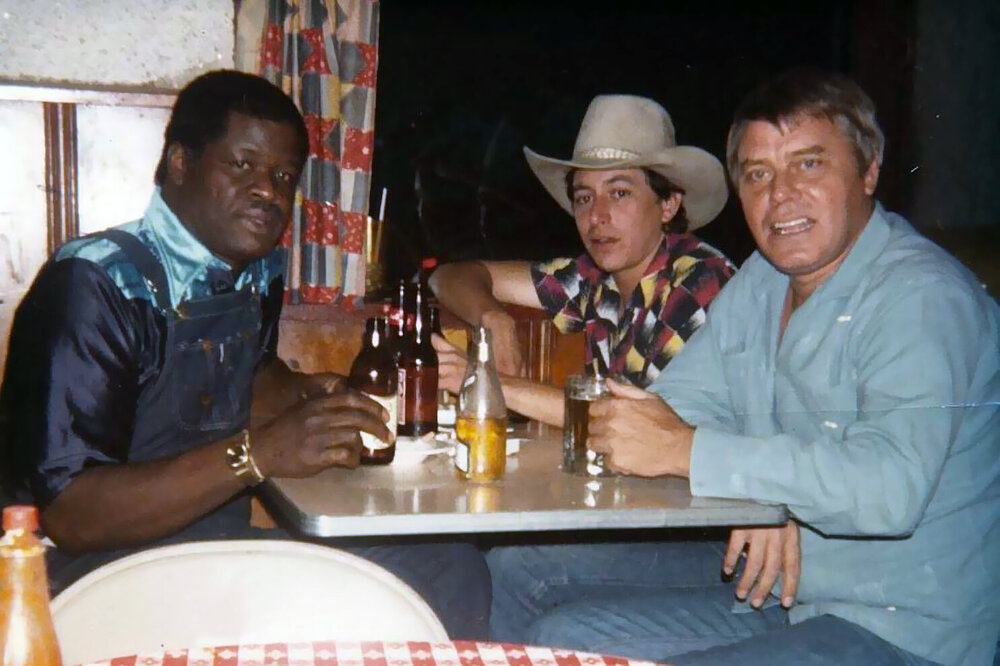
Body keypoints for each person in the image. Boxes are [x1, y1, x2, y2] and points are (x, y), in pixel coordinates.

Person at [489, 68, 1000, 665]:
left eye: (808, 164)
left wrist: (719, 466)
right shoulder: (763, 282)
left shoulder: (922, 297)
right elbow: (675, 410)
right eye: (758, 174)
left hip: (901, 629)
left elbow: (888, 488)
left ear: (868, 171)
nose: (780, 194)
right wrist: (759, 490)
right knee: (537, 596)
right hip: (782, 589)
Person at [0, 70, 490, 638]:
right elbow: (70, 512)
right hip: (84, 575)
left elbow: (248, 373)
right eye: (243, 165)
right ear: (180, 163)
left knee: (448, 566)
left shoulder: (254, 271)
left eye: (284, 176)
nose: (269, 192)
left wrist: (311, 395)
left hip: (206, 551)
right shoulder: (96, 284)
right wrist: (260, 453)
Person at [430, 94, 735, 425]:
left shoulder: (699, 280)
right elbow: (450, 276)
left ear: (668, 204)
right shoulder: (593, 280)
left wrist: (485, 381)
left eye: (619, 193)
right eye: (584, 197)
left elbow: (636, 425)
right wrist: (494, 320)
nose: (596, 216)